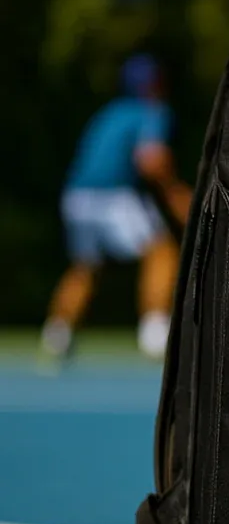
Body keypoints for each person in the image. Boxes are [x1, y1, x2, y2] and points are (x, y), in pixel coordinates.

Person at [40, 54, 192, 361]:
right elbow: (151, 159)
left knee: (85, 267)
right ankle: (154, 331)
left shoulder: (108, 113)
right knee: (160, 250)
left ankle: (57, 334)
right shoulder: (152, 110)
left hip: (75, 196)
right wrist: (175, 192)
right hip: (113, 196)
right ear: (155, 84)